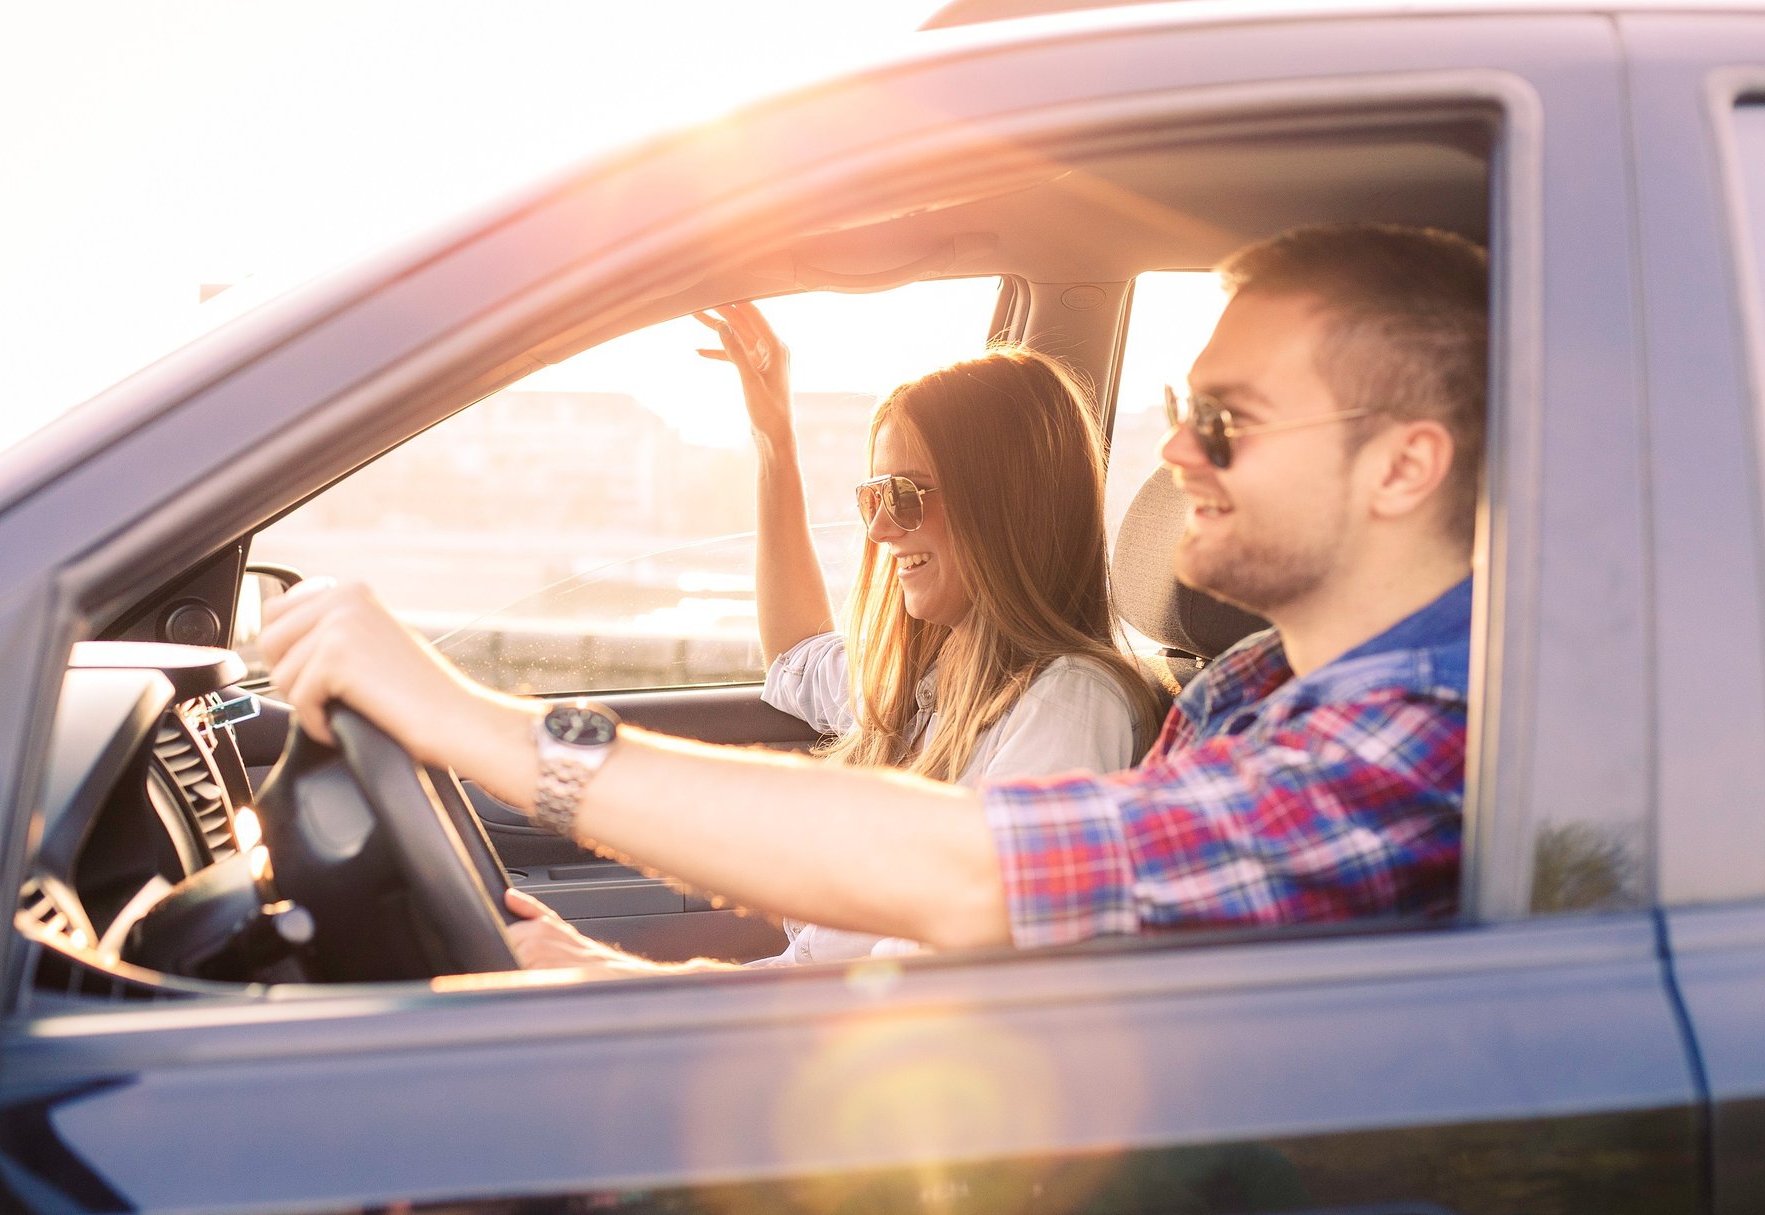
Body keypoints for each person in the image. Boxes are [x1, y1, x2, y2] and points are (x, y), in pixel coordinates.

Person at [258, 221, 1485, 958]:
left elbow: (980, 876)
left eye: (1225, 421)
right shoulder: (1250, 682)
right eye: (1178, 413)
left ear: (1404, 465)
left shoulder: (1427, 739)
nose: (1170, 457)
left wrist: (480, 722)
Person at [506, 307, 1164, 975]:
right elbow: (795, 654)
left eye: (905, 495)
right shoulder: (932, 678)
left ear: (1005, 505)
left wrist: (638, 983)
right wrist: (775, 439)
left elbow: (933, 986)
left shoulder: (1070, 707)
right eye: (874, 494)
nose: (880, 531)